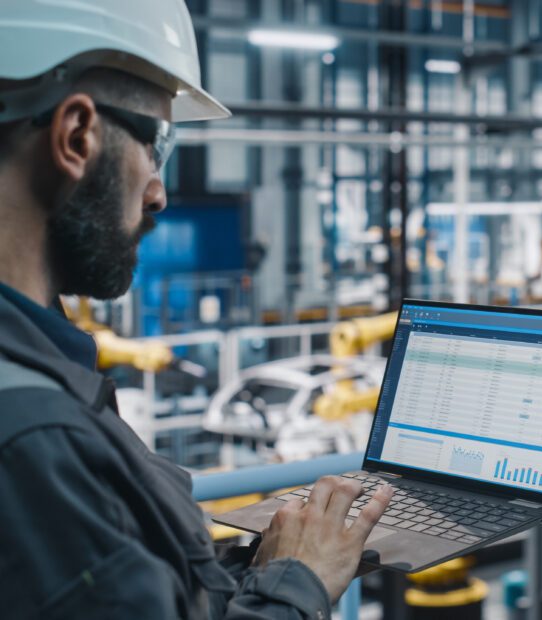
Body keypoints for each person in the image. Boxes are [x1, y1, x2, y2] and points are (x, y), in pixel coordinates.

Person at [0, 1, 393, 618]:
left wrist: (258, 573)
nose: (158, 191)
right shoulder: (33, 438)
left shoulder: (39, 372)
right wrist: (300, 581)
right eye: (157, 144)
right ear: (76, 135)